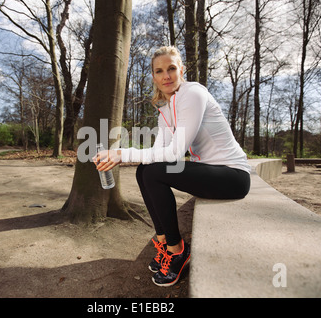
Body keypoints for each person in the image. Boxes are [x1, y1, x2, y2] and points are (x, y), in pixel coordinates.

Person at [94, 46, 251, 287]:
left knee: (154, 172)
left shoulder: (193, 94)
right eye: (159, 71)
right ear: (154, 77)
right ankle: (164, 241)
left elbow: (175, 153)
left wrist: (120, 153)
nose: (166, 76)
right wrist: (123, 156)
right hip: (210, 173)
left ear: (181, 70)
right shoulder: (166, 110)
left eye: (171, 69)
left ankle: (178, 250)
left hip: (233, 176)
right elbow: (159, 155)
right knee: (145, 170)